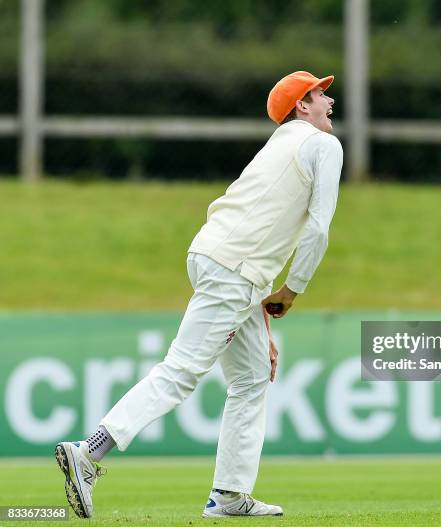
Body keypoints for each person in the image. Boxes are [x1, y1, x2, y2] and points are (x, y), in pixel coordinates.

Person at [54, 70, 343, 519]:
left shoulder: (280, 145)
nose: (329, 100)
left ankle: (229, 495)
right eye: (320, 94)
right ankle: (89, 451)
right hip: (235, 271)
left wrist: (259, 322)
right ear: (300, 106)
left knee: (250, 377)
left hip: (218, 258)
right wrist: (292, 290)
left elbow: (260, 232)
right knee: (181, 371)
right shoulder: (324, 145)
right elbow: (318, 229)